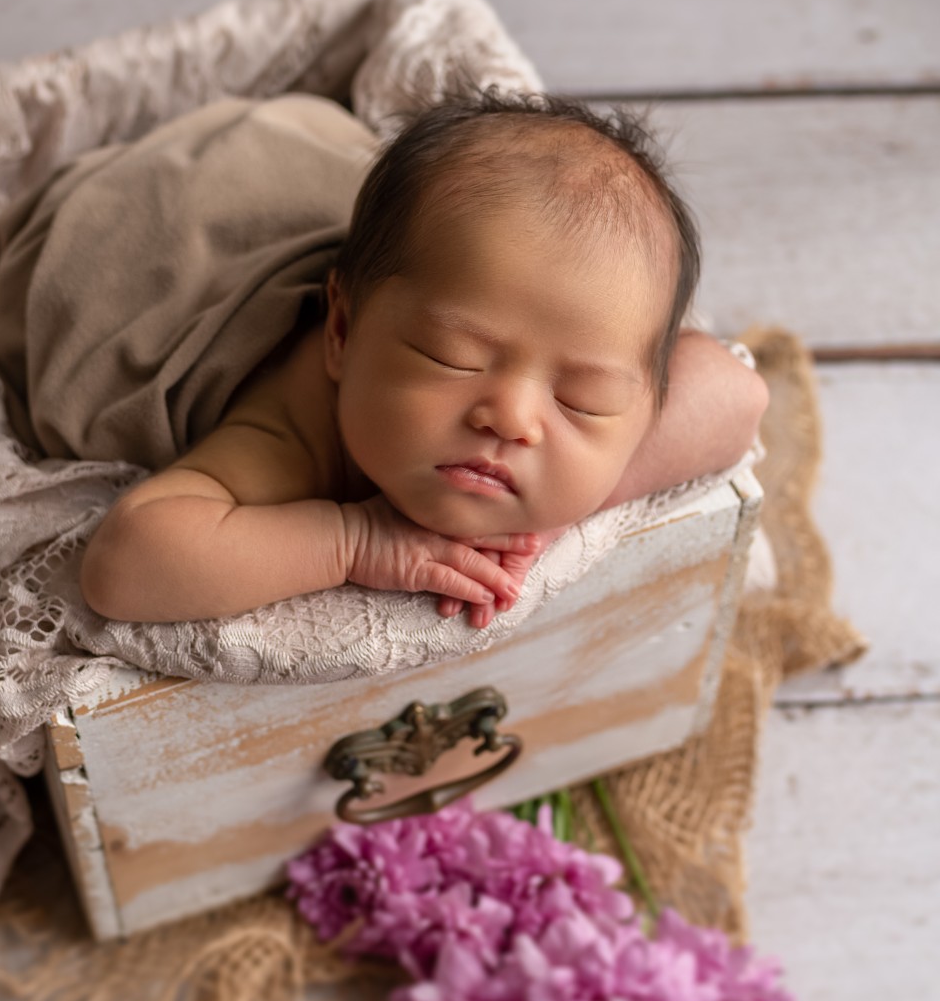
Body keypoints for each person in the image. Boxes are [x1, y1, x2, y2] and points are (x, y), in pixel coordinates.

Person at [76, 87, 767, 629]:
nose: (511, 417)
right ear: (343, 333)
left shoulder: (590, 356)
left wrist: (556, 509)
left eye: (582, 399)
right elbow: (125, 564)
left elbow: (738, 396)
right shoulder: (296, 435)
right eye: (454, 357)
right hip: (151, 233)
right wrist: (356, 541)